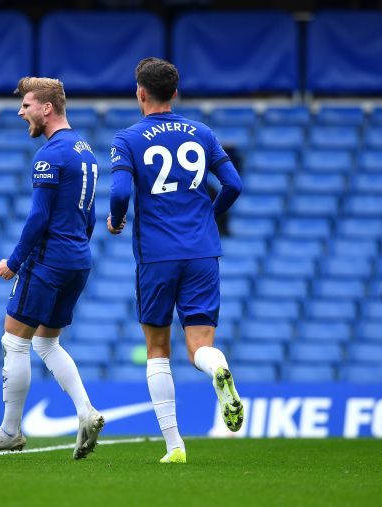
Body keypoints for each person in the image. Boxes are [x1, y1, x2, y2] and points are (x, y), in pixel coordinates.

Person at [107, 57, 244, 464]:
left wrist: (116, 220)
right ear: (175, 93)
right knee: (200, 345)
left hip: (157, 255)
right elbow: (234, 184)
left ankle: (175, 447)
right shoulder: (201, 132)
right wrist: (208, 215)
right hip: (202, 251)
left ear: (141, 93)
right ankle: (218, 368)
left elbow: (118, 194)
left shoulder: (127, 138)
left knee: (157, 349)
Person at [0, 77, 104, 459]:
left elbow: (38, 217)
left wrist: (14, 261)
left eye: (26, 105)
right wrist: (75, 247)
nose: (20, 111)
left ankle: (10, 430)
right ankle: (86, 411)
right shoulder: (85, 150)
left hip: (49, 260)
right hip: (78, 259)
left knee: (14, 340)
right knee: (47, 341)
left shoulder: (49, 155)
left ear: (46, 108)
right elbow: (89, 215)